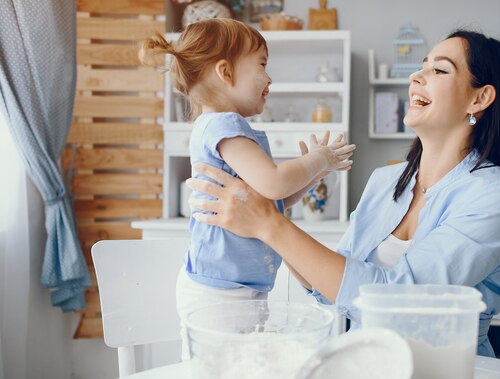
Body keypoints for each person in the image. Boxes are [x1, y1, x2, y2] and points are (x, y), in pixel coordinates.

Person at [186, 29, 500, 357]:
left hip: (449, 375)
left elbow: (398, 300)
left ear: (480, 98)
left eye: (440, 71)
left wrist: (269, 224)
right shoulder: (385, 182)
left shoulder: (496, 199)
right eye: (421, 67)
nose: (416, 77)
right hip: (362, 365)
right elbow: (328, 287)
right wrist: (268, 211)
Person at [139, 18, 355, 354]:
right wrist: (319, 160)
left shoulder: (218, 126)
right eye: (263, 64)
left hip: (234, 288)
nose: (270, 78)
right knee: (221, 376)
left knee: (233, 372)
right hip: (222, 293)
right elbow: (274, 182)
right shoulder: (225, 124)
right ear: (225, 72)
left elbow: (272, 198)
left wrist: (312, 177)